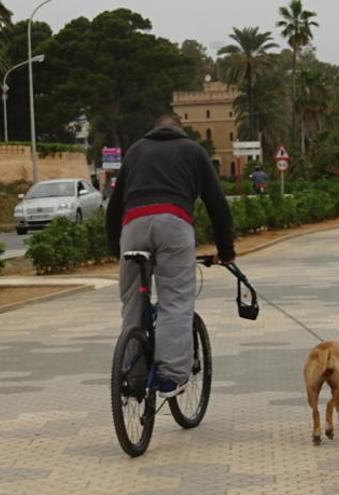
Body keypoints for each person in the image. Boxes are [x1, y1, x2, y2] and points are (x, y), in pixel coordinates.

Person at [106, 114, 235, 398]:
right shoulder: (193, 151)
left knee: (131, 302)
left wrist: (117, 250)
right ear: (181, 130)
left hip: (133, 226)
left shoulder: (136, 150)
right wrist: (226, 251)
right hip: (174, 224)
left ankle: (133, 375)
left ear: (154, 130)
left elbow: (114, 207)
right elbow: (217, 204)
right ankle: (170, 377)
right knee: (175, 299)